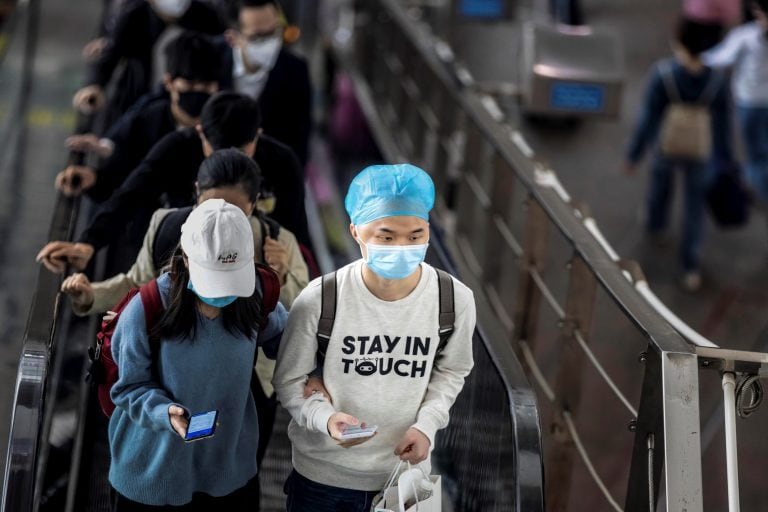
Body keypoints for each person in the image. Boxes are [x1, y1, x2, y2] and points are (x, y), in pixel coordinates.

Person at [273, 164, 476, 511]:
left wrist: (426, 426)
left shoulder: (452, 298)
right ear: (355, 231)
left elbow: (452, 371)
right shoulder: (321, 298)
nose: (402, 246)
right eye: (386, 236)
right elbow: (289, 379)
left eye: (415, 235)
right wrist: (326, 419)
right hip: (325, 479)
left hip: (405, 477)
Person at [108, 198, 287, 510]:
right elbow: (128, 387)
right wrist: (165, 412)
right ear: (186, 258)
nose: (222, 293)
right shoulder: (147, 308)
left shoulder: (256, 297)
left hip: (226, 470)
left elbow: (288, 344)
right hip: (154, 470)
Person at [37, 92, 311, 274]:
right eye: (216, 153)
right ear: (200, 132)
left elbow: (297, 230)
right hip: (182, 263)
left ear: (258, 135)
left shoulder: (281, 162)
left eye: (241, 153)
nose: (229, 163)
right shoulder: (176, 149)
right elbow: (131, 194)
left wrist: (292, 268)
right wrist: (89, 243)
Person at [624, 17, 730, 292]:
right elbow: (722, 125)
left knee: (660, 189)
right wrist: (723, 158)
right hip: (699, 148)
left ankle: (656, 226)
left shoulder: (664, 74)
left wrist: (633, 155)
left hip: (667, 144)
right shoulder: (716, 80)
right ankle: (690, 266)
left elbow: (647, 118)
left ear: (678, 42)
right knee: (695, 207)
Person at [57, 31, 221, 201]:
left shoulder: (227, 123)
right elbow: (119, 180)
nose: (199, 91)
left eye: (206, 85)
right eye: (191, 84)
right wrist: (92, 180)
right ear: (169, 83)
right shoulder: (146, 120)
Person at [73, 0, 226, 117]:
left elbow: (224, 55)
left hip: (190, 106)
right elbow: (111, 54)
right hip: (140, 98)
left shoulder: (206, 17)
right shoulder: (136, 14)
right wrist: (95, 84)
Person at [215, 0, 312, 166]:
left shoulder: (295, 69)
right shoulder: (212, 60)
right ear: (234, 37)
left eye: (273, 33)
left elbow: (300, 138)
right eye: (257, 36)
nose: (268, 43)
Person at [703, 0, 768, 203]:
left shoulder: (747, 36)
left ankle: (758, 190)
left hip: (750, 102)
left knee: (755, 152)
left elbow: (719, 58)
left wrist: (692, 56)